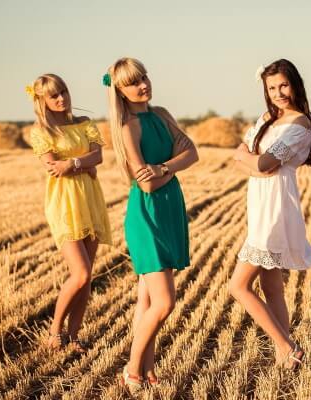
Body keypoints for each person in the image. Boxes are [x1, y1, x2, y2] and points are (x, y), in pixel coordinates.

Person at [104, 57, 198, 391]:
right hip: (147, 216)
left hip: (169, 209)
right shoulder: (128, 127)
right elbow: (145, 185)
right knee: (164, 302)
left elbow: (193, 153)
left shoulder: (162, 115)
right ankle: (132, 370)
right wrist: (171, 165)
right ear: (120, 90)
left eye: (143, 77)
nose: (142, 85)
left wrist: (162, 168)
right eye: (133, 82)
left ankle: (147, 367)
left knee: (146, 302)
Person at [230, 59, 311, 370]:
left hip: (276, 204)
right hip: (259, 202)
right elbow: (242, 155)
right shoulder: (267, 118)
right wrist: (253, 163)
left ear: (295, 84)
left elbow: (264, 162)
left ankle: (287, 346)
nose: (278, 93)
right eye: (271, 88)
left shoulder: (299, 124)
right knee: (271, 287)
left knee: (238, 286)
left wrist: (252, 162)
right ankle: (287, 357)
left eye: (283, 85)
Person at [27, 73, 112, 352]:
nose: (61, 98)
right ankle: (55, 331)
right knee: (81, 273)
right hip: (64, 202)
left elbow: (98, 156)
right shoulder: (41, 132)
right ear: (42, 101)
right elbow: (54, 168)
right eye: (54, 95)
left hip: (90, 199)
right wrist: (85, 165)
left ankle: (74, 336)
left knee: (87, 277)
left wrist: (73, 163)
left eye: (63, 91)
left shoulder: (85, 123)